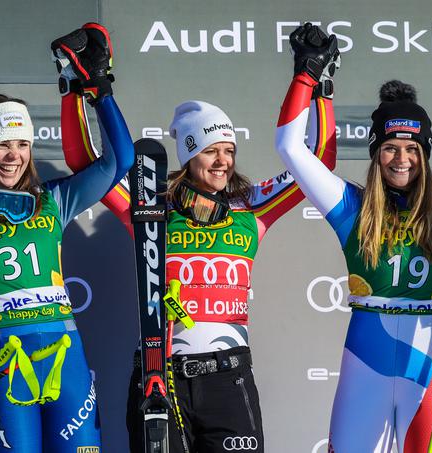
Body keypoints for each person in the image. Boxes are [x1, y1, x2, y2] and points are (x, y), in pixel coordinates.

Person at [61, 23, 340, 453]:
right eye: (211, 151)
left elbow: (318, 159)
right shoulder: (150, 205)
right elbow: (87, 164)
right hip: (161, 373)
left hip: (228, 377)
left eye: (229, 151)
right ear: (190, 154)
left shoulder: (252, 205)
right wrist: (80, 87)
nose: (222, 161)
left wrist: (314, 81)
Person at [276, 34, 432, 453]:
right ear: (376, 154)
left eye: (412, 149)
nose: (401, 158)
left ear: (425, 155)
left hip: (428, 365)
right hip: (365, 365)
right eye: (390, 148)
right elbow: (289, 147)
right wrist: (306, 76)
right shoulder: (351, 207)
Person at [0, 23, 134, 452]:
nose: (15, 155)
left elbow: (120, 159)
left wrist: (100, 89)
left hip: (65, 360)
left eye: (23, 143)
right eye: (2, 144)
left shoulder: (52, 200)